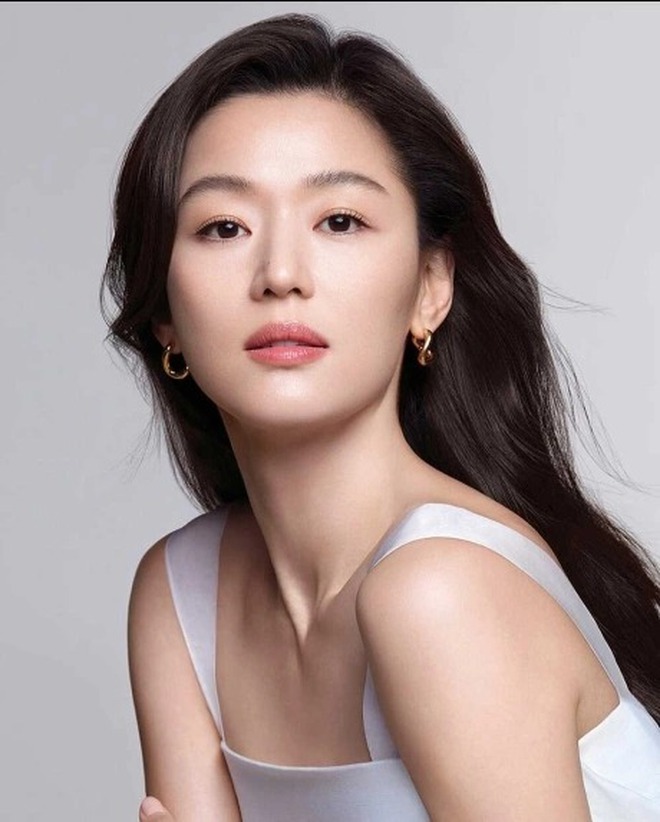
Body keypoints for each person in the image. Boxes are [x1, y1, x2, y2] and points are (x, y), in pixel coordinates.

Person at [102, 13, 660, 822]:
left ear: (430, 288)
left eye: (340, 221)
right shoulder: (181, 595)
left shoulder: (441, 589)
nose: (281, 274)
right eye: (223, 227)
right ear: (165, 320)